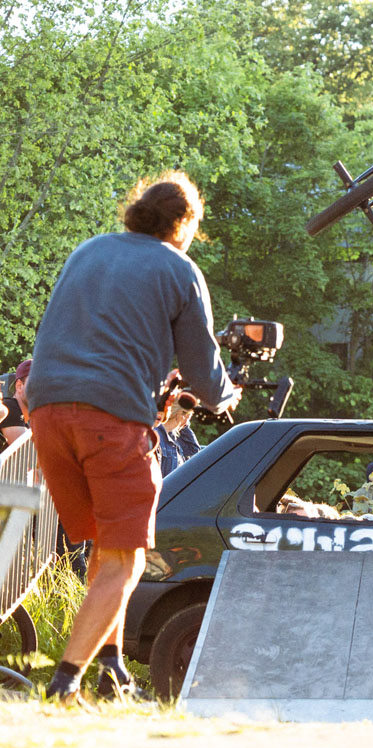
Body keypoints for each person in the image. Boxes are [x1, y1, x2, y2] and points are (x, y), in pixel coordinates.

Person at [27, 171, 240, 703]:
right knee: (128, 559)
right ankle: (64, 684)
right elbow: (205, 373)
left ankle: (112, 670)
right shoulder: (180, 269)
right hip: (110, 422)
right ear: (184, 224)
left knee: (106, 544)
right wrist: (227, 396)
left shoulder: (89, 250)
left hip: (49, 414)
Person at [154, 390, 202, 477]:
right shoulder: (156, 437)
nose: (187, 422)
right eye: (188, 417)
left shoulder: (173, 438)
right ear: (180, 414)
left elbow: (193, 450)